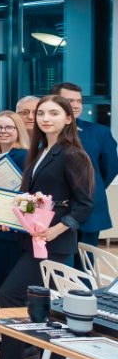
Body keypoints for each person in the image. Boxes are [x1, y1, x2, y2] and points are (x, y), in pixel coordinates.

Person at [0, 95, 95, 359]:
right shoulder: (43, 150)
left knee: (10, 293)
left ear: (68, 118)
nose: (46, 118)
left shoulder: (73, 154)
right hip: (34, 239)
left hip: (53, 243)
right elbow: (32, 200)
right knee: (47, 302)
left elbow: (84, 204)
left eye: (54, 113)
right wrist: (12, 220)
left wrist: (57, 230)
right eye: (42, 113)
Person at [50, 82, 118, 255]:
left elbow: (109, 168)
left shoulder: (100, 133)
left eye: (79, 101)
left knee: (84, 264)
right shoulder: (45, 132)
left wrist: (88, 186)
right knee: (55, 263)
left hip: (89, 212)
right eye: (69, 100)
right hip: (52, 213)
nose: (75, 105)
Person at [0, 110, 30, 293]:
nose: (3, 131)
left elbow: (30, 192)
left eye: (9, 127)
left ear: (18, 130)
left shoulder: (25, 156)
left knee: (11, 281)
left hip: (13, 227)